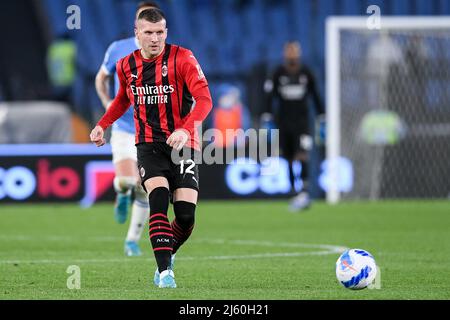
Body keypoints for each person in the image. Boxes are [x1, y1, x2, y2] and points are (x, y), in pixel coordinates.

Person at [90, 8, 212, 288]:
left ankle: (166, 254)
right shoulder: (125, 65)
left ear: (166, 32)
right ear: (137, 34)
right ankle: (165, 273)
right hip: (147, 145)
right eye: (148, 33)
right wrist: (102, 124)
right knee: (157, 200)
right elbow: (122, 99)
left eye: (160, 32)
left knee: (185, 215)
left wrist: (184, 127)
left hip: (183, 144)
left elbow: (204, 99)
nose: (155, 38)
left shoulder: (183, 58)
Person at [95, 2, 160, 257]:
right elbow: (101, 78)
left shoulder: (166, 54)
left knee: (144, 186)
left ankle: (131, 241)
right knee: (126, 181)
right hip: (124, 129)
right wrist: (106, 103)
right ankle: (122, 193)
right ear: (137, 26)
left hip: (152, 133)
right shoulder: (118, 49)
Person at [262, 41, 324, 211]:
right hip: (283, 122)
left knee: (302, 155)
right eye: (289, 51)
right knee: (288, 158)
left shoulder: (306, 73)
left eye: (295, 51)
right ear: (285, 53)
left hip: (302, 122)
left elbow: (316, 95)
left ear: (299, 53)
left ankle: (303, 192)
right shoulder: (277, 73)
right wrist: (266, 117)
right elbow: (269, 96)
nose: (292, 54)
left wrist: (322, 115)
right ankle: (294, 192)